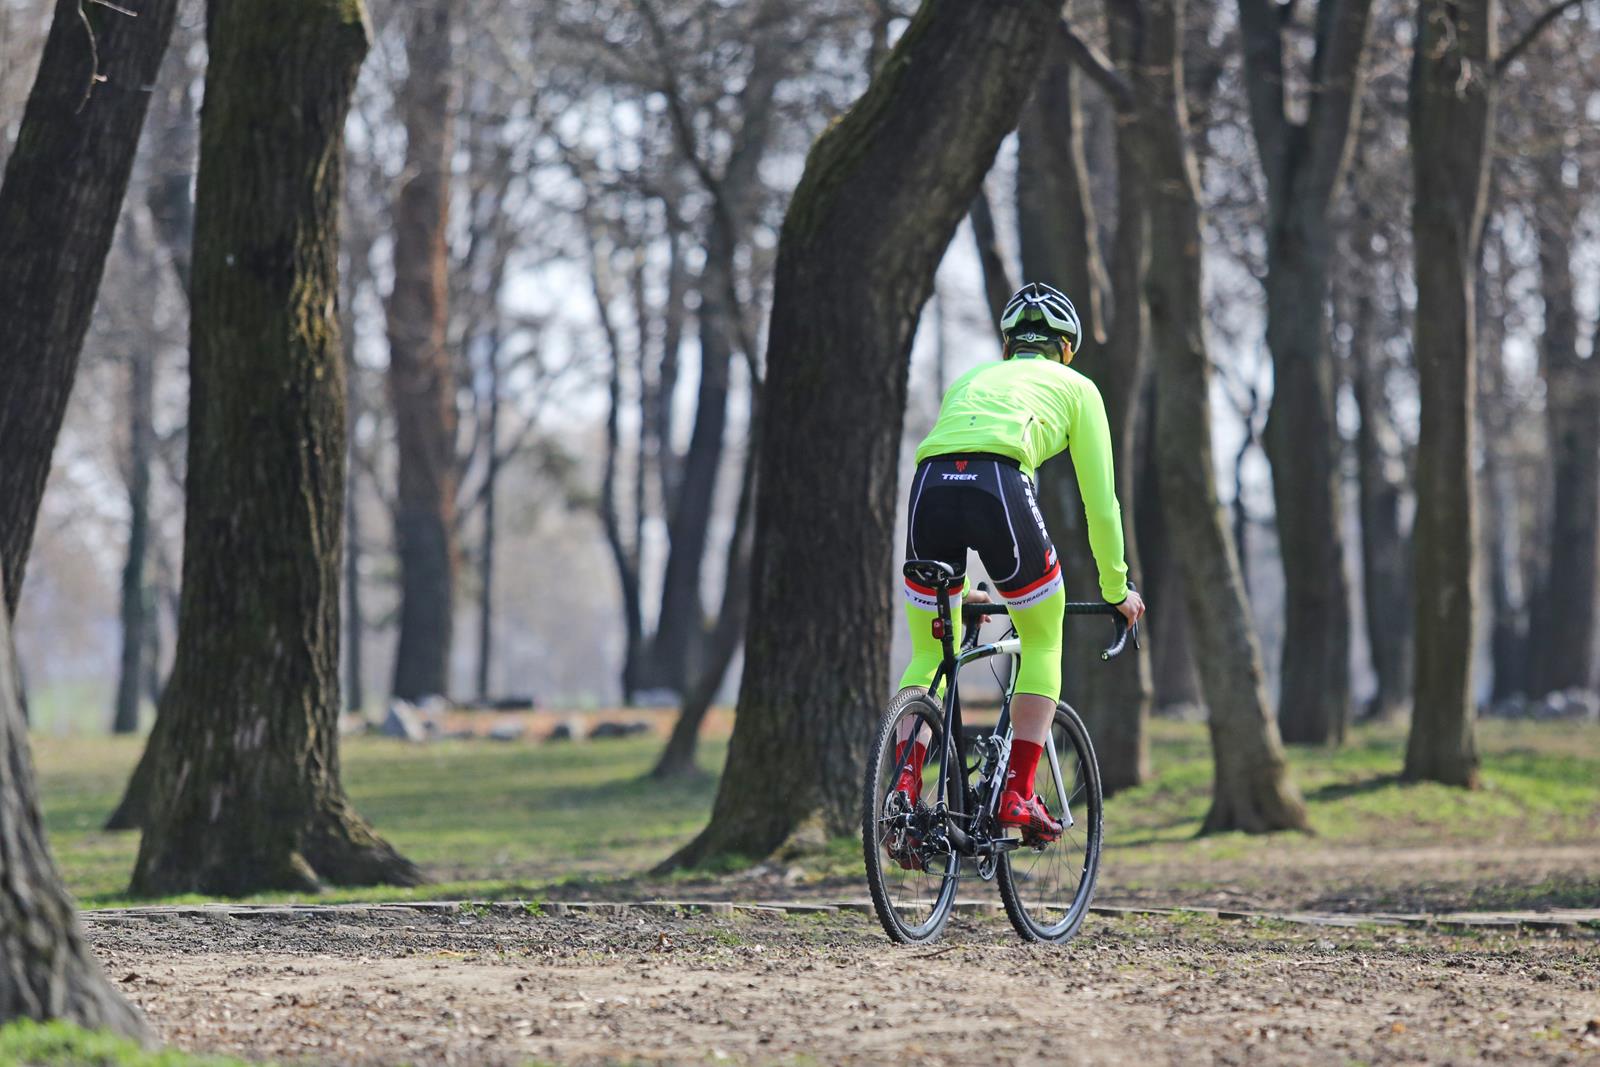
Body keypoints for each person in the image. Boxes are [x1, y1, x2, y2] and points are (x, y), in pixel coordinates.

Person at [894, 281, 1144, 846]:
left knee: (931, 651)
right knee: (1043, 636)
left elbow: (959, 455)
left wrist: (962, 595)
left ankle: (903, 796)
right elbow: (1100, 504)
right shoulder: (1079, 388)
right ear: (1067, 348)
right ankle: (1018, 793)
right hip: (999, 484)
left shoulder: (970, 380)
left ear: (1009, 345)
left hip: (929, 485)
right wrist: (1116, 589)